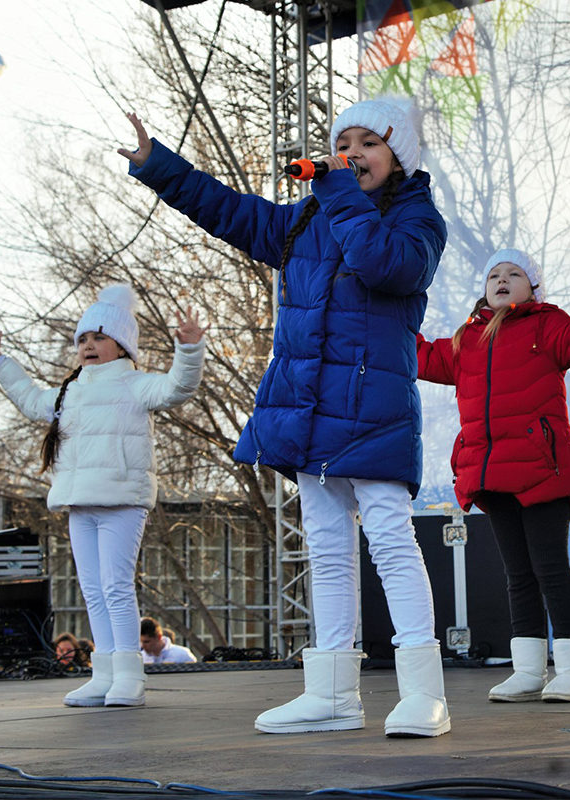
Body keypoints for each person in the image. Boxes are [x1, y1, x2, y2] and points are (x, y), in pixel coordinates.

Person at [120, 98, 451, 737]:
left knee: (389, 540)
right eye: (342, 142)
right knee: (325, 549)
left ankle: (423, 694)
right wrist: (157, 165)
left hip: (373, 406)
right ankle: (331, 694)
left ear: (399, 155)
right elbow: (227, 211)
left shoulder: (418, 218)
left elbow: (386, 265)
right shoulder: (306, 220)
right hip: (309, 409)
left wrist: (333, 190)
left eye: (367, 143)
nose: (351, 153)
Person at [416, 233, 570, 704]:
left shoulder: (547, 327)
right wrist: (390, 320)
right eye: (494, 275)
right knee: (518, 574)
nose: (502, 280)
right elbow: (423, 356)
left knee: (550, 568)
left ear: (533, 288)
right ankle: (528, 669)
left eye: (513, 274)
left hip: (540, 470)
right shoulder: (468, 338)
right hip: (491, 472)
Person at [0, 285, 205, 708]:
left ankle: (128, 675)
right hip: (80, 502)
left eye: (99, 338)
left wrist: (190, 349)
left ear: (121, 344)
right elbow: (33, 402)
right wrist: (3, 365)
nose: (88, 346)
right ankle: (103, 675)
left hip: (122, 501)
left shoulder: (136, 384)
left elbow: (177, 389)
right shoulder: (71, 391)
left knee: (115, 586)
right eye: (83, 339)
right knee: (93, 588)